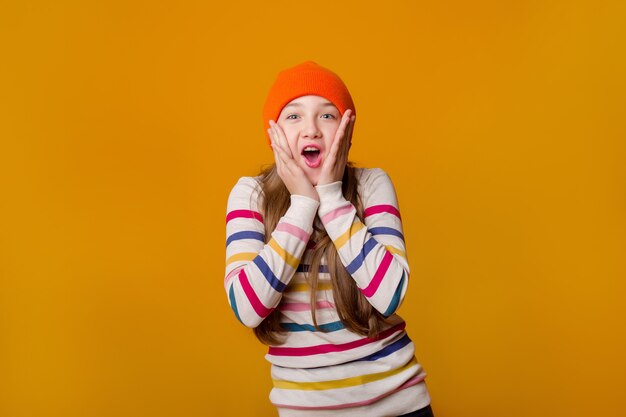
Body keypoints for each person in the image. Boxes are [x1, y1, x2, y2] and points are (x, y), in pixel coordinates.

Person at [224, 61, 433, 417]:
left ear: (347, 130)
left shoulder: (371, 185)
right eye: (293, 116)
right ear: (272, 133)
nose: (311, 130)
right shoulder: (250, 195)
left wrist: (332, 197)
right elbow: (247, 308)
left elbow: (389, 294)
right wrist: (303, 205)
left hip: (401, 404)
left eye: (327, 115)